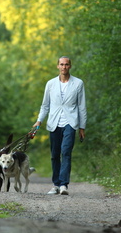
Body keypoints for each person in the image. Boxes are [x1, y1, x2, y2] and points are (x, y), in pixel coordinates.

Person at [33, 56, 87, 195]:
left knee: (66, 152)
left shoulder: (78, 83)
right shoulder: (50, 84)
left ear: (70, 66)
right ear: (58, 66)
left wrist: (82, 126)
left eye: (66, 64)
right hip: (54, 122)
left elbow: (82, 106)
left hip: (71, 122)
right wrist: (39, 120)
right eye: (61, 64)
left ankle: (64, 185)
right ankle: (55, 184)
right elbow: (45, 105)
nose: (64, 67)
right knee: (55, 154)